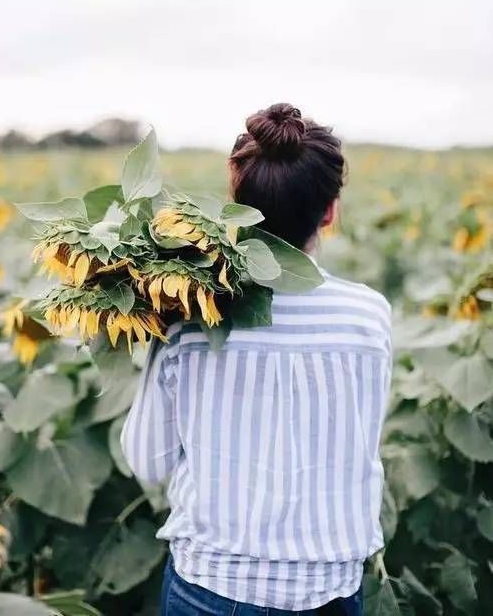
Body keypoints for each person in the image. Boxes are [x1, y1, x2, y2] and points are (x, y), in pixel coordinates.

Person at [121, 103, 392, 615]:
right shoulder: (368, 316)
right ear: (330, 211)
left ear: (234, 205)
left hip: (214, 587)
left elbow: (147, 461)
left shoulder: (193, 320)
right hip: (331, 587)